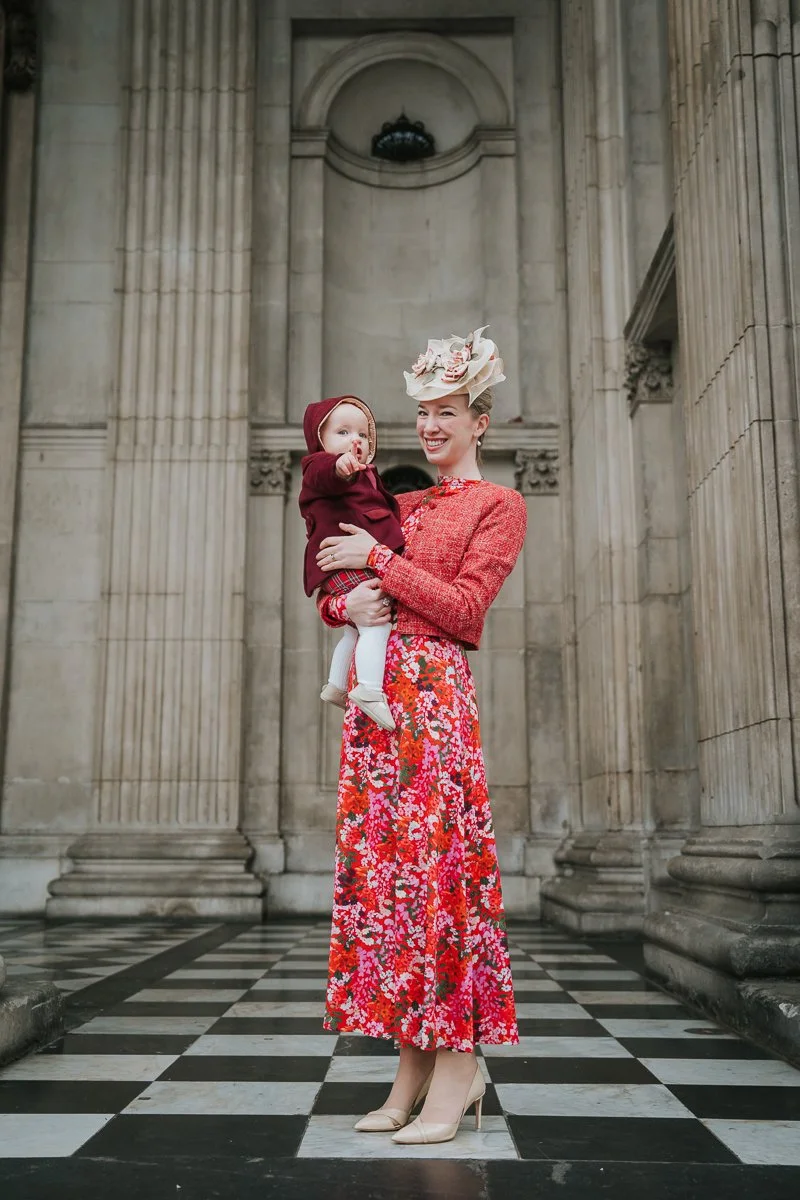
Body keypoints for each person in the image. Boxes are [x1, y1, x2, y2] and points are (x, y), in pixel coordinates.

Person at [315, 326, 527, 1147]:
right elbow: (337, 582)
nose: (431, 425)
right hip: (377, 712)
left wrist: (385, 569)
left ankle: (459, 1062)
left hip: (434, 700)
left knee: (440, 882)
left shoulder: (497, 505)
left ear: (480, 422)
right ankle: (412, 1061)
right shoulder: (397, 507)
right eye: (424, 413)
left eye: (447, 412)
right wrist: (348, 605)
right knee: (392, 887)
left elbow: (467, 610)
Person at [299, 395, 405, 731]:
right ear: (321, 441)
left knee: (354, 627)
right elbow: (324, 474)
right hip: (347, 563)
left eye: (362, 434)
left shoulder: (366, 475)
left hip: (346, 562)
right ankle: (369, 691)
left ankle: (336, 685)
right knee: (376, 621)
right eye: (342, 432)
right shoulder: (322, 468)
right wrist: (338, 466)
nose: (354, 440)